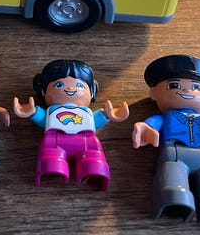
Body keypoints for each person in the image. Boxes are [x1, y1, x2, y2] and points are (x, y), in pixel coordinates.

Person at [132, 54, 200, 224]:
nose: (187, 91)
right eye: (174, 85)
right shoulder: (165, 117)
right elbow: (152, 124)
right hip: (175, 156)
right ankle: (175, 203)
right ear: (154, 93)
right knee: (173, 186)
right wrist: (145, 129)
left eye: (197, 87)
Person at [14, 59, 129, 189]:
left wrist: (109, 114)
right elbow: (42, 119)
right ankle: (52, 168)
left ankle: (94, 169)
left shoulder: (87, 113)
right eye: (59, 85)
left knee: (94, 159)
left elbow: (95, 121)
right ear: (44, 92)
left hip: (87, 141)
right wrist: (32, 112)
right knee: (50, 158)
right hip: (54, 140)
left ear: (92, 92)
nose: (70, 88)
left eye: (80, 85)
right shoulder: (52, 111)